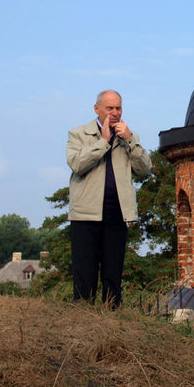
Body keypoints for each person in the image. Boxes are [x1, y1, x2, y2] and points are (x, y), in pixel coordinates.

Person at [66, 89, 151, 307]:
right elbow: (77, 164)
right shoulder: (78, 134)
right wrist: (103, 142)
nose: (114, 113)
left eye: (118, 108)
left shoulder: (129, 137)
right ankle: (84, 313)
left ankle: (113, 314)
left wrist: (130, 140)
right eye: (109, 108)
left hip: (118, 211)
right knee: (85, 269)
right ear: (97, 109)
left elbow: (144, 169)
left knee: (113, 270)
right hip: (86, 212)